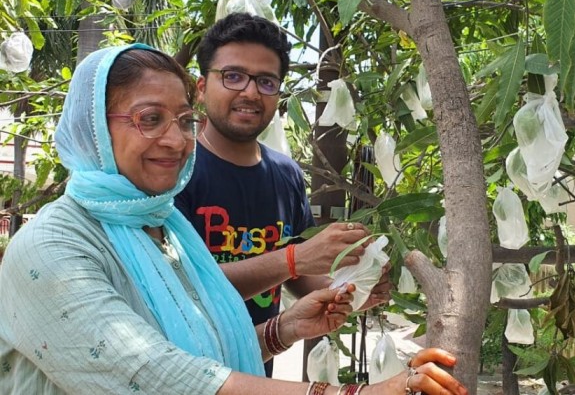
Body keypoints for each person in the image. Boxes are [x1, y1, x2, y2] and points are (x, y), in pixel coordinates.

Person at [0, 44, 467, 395]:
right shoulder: (51, 248)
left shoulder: (165, 226)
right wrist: (359, 392)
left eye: (183, 121)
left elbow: (193, 341)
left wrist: (280, 330)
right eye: (148, 119)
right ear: (96, 129)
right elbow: (152, 374)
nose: (175, 140)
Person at [175, 13, 391, 376]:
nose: (250, 92)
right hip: (187, 372)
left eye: (266, 81)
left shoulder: (285, 174)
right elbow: (183, 286)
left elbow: (298, 280)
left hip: (259, 366)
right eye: (233, 76)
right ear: (200, 87)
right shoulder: (176, 171)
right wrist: (294, 258)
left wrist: (353, 287)